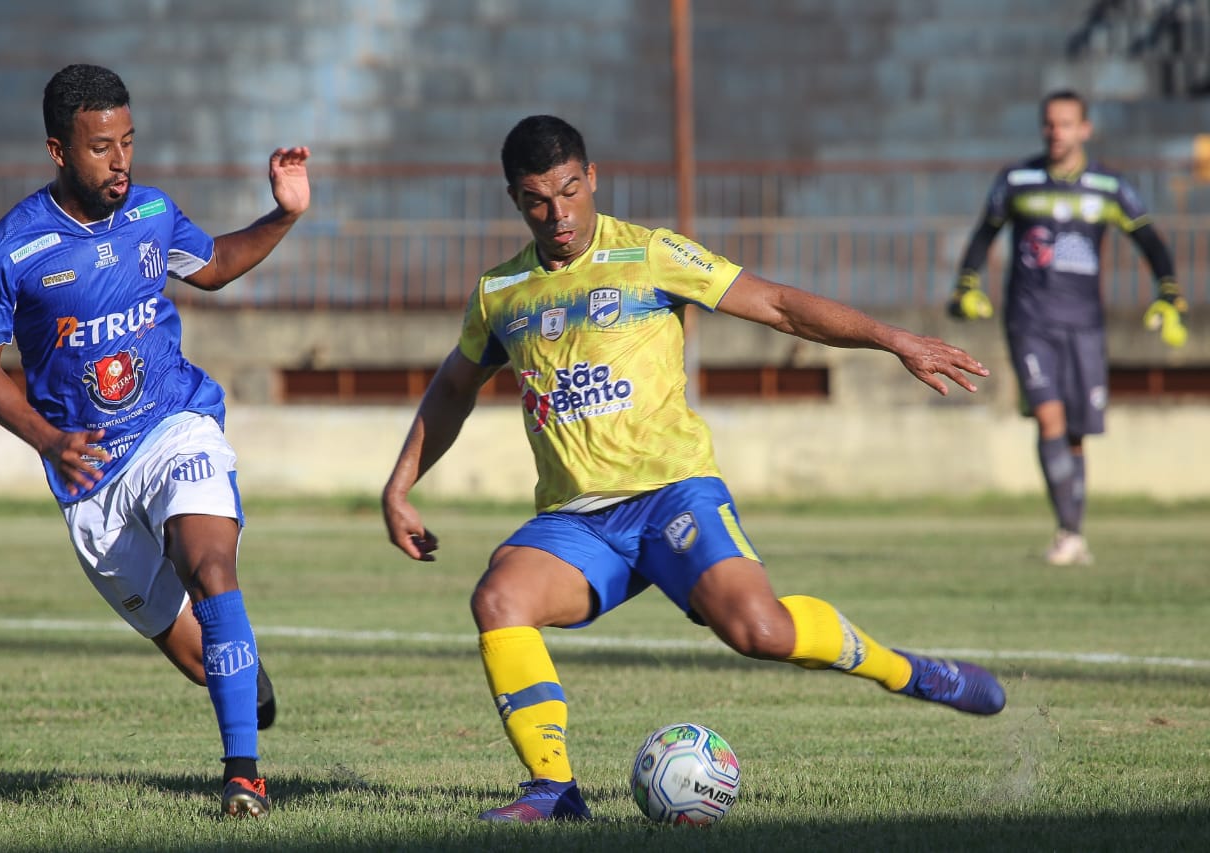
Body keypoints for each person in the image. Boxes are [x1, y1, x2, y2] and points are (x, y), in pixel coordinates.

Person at [381, 114, 1007, 824]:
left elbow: (775, 303)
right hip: (577, 519)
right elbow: (454, 388)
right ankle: (553, 791)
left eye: (569, 191)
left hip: (672, 493)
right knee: (499, 600)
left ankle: (910, 671)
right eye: (536, 199)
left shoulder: (651, 255)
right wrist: (400, 487)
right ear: (513, 200)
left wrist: (894, 340)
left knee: (760, 633)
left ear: (592, 180)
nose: (557, 214)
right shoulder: (501, 292)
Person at [0, 64, 310, 817]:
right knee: (196, 653)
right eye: (100, 147)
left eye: (128, 142)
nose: (120, 162)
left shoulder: (152, 212)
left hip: (175, 423)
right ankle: (238, 672)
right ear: (58, 150)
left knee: (211, 564)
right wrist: (48, 438)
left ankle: (243, 772)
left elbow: (211, 266)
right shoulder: (7, 252)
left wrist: (281, 215)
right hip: (89, 475)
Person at [948, 89, 1188, 567]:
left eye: (1065, 124)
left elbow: (1150, 241)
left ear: (1085, 130)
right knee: (1050, 417)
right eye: (1049, 124)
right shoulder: (1018, 180)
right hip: (1030, 320)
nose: (1056, 132)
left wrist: (1168, 291)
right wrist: (967, 285)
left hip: (1085, 325)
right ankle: (1066, 533)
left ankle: (1073, 532)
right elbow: (983, 234)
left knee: (1075, 433)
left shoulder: (1110, 187)